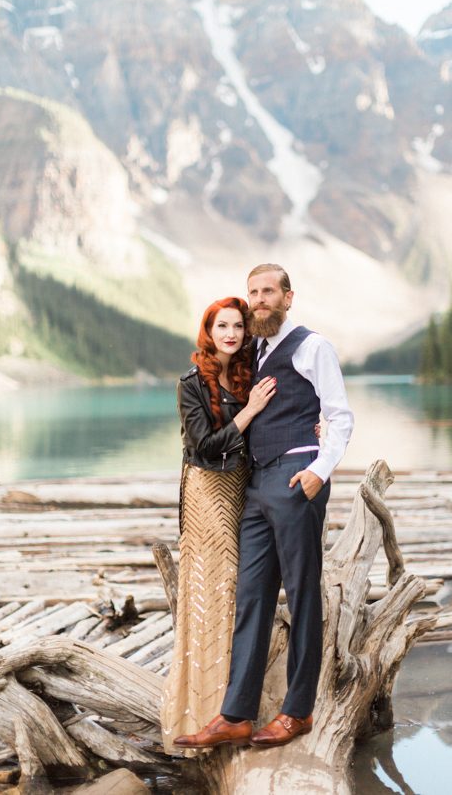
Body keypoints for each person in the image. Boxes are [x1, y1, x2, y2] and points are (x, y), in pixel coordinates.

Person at [173, 263, 354, 750]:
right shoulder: (254, 350)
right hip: (256, 486)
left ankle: (298, 711)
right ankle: (236, 715)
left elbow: (338, 415)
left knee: (301, 596)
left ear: (288, 297)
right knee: (251, 596)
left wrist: (320, 470)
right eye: (253, 292)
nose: (259, 301)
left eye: (269, 292)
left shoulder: (313, 347)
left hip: (296, 479)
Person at [161, 296, 276, 753]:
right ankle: (205, 711)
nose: (231, 334)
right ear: (208, 332)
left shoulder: (250, 373)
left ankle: (239, 708)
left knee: (242, 591)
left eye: (238, 327)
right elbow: (205, 446)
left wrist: (318, 430)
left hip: (245, 489)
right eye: (221, 326)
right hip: (208, 493)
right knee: (211, 592)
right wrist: (249, 412)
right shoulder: (191, 383)